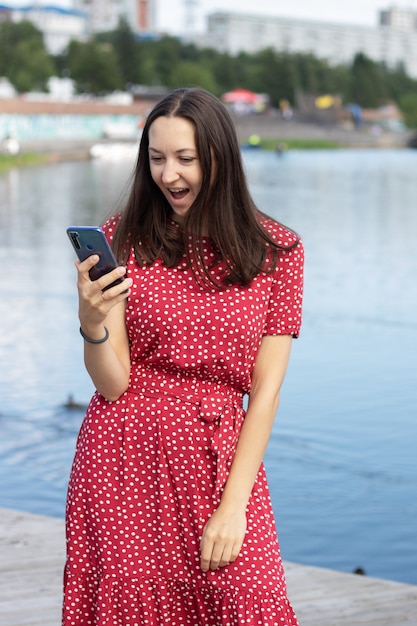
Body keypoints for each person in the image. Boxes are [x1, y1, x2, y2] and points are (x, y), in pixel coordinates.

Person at [63, 87, 304, 625]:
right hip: (123, 460)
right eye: (156, 158)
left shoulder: (277, 252)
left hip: (220, 459)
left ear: (221, 156)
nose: (168, 175)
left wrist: (235, 505)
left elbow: (265, 393)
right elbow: (112, 384)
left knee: (249, 603)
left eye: (185, 159)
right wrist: (90, 320)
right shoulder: (119, 239)